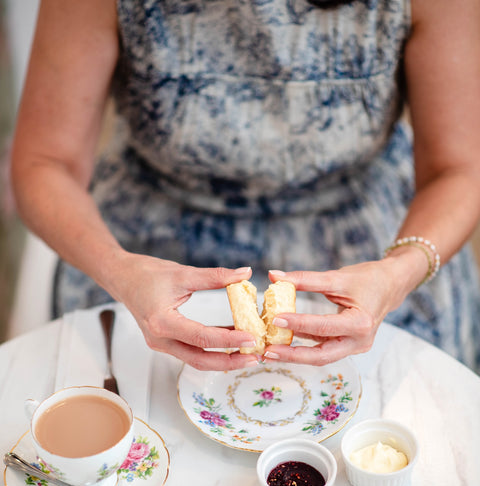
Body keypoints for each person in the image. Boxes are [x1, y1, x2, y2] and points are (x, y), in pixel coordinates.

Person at [10, 0, 480, 372]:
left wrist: (397, 273)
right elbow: (44, 161)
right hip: (148, 245)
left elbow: (459, 170)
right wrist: (119, 270)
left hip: (367, 245)